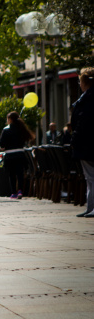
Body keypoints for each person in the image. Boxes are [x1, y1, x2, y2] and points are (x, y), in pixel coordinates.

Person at [71, 67, 94, 218]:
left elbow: (82, 122)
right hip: (87, 142)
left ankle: (91, 207)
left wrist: (76, 137)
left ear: (84, 83)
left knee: (90, 177)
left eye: (80, 82)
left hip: (87, 143)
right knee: (90, 178)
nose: (79, 85)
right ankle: (90, 207)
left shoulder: (87, 100)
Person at [0, 111, 34, 199]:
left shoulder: (6, 130)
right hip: (20, 154)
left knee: (12, 175)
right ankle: (20, 190)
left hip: (10, 155)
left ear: (10, 119)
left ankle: (13, 192)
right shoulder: (21, 129)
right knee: (20, 174)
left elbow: (2, 144)